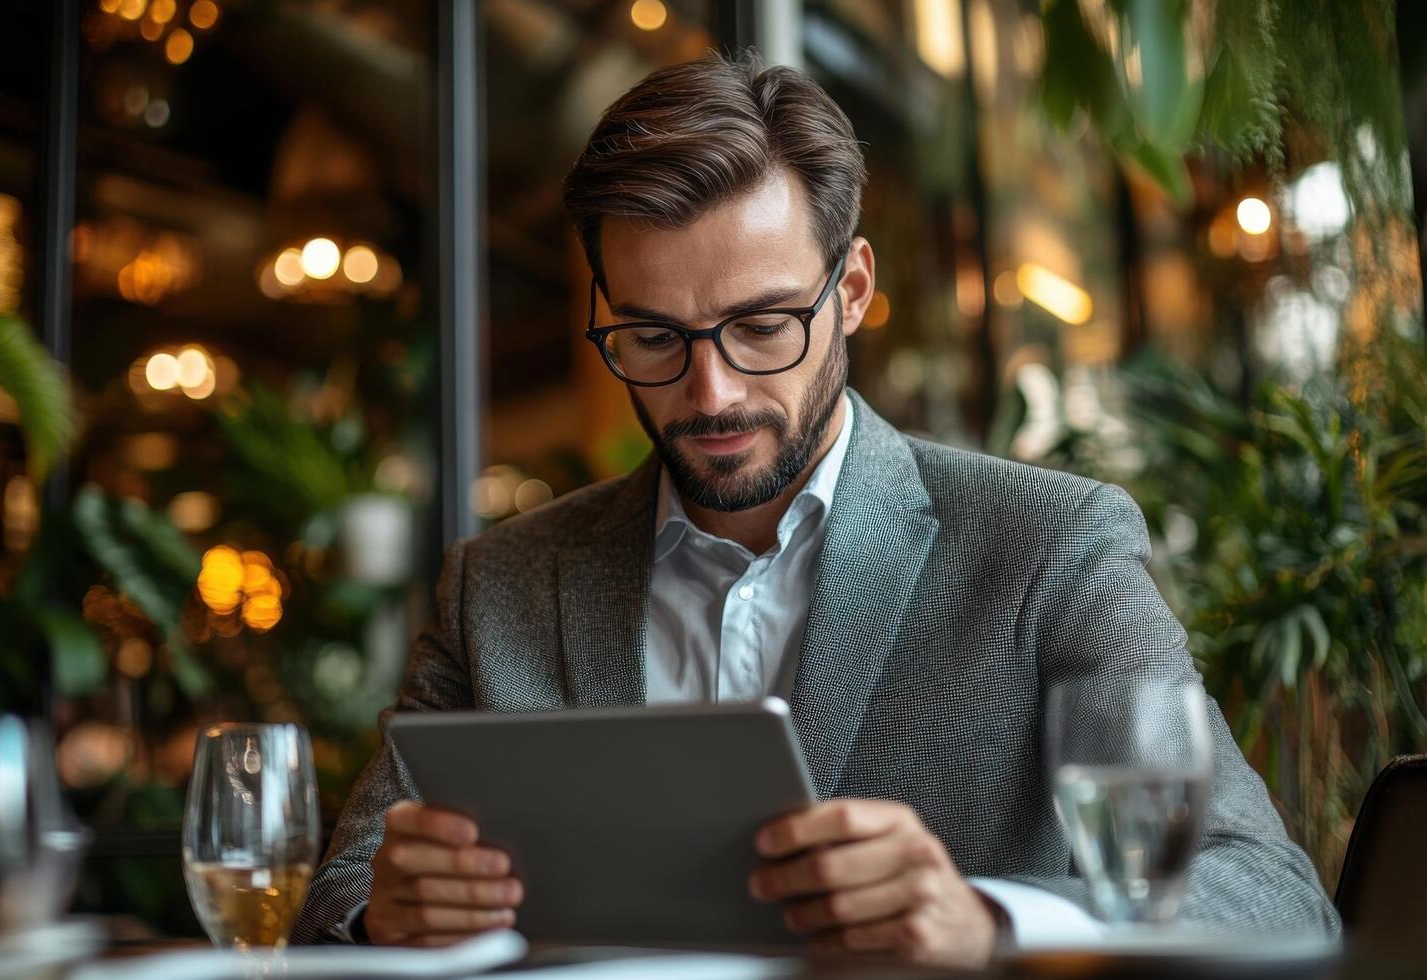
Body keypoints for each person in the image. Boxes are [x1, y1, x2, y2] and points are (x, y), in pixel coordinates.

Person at [293, 51, 1339, 965]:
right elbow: (339, 891)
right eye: (653, 338)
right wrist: (387, 911)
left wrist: (987, 921)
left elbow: (1273, 896)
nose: (711, 393)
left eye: (761, 326)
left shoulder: (1045, 549)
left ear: (851, 290)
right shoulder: (502, 583)